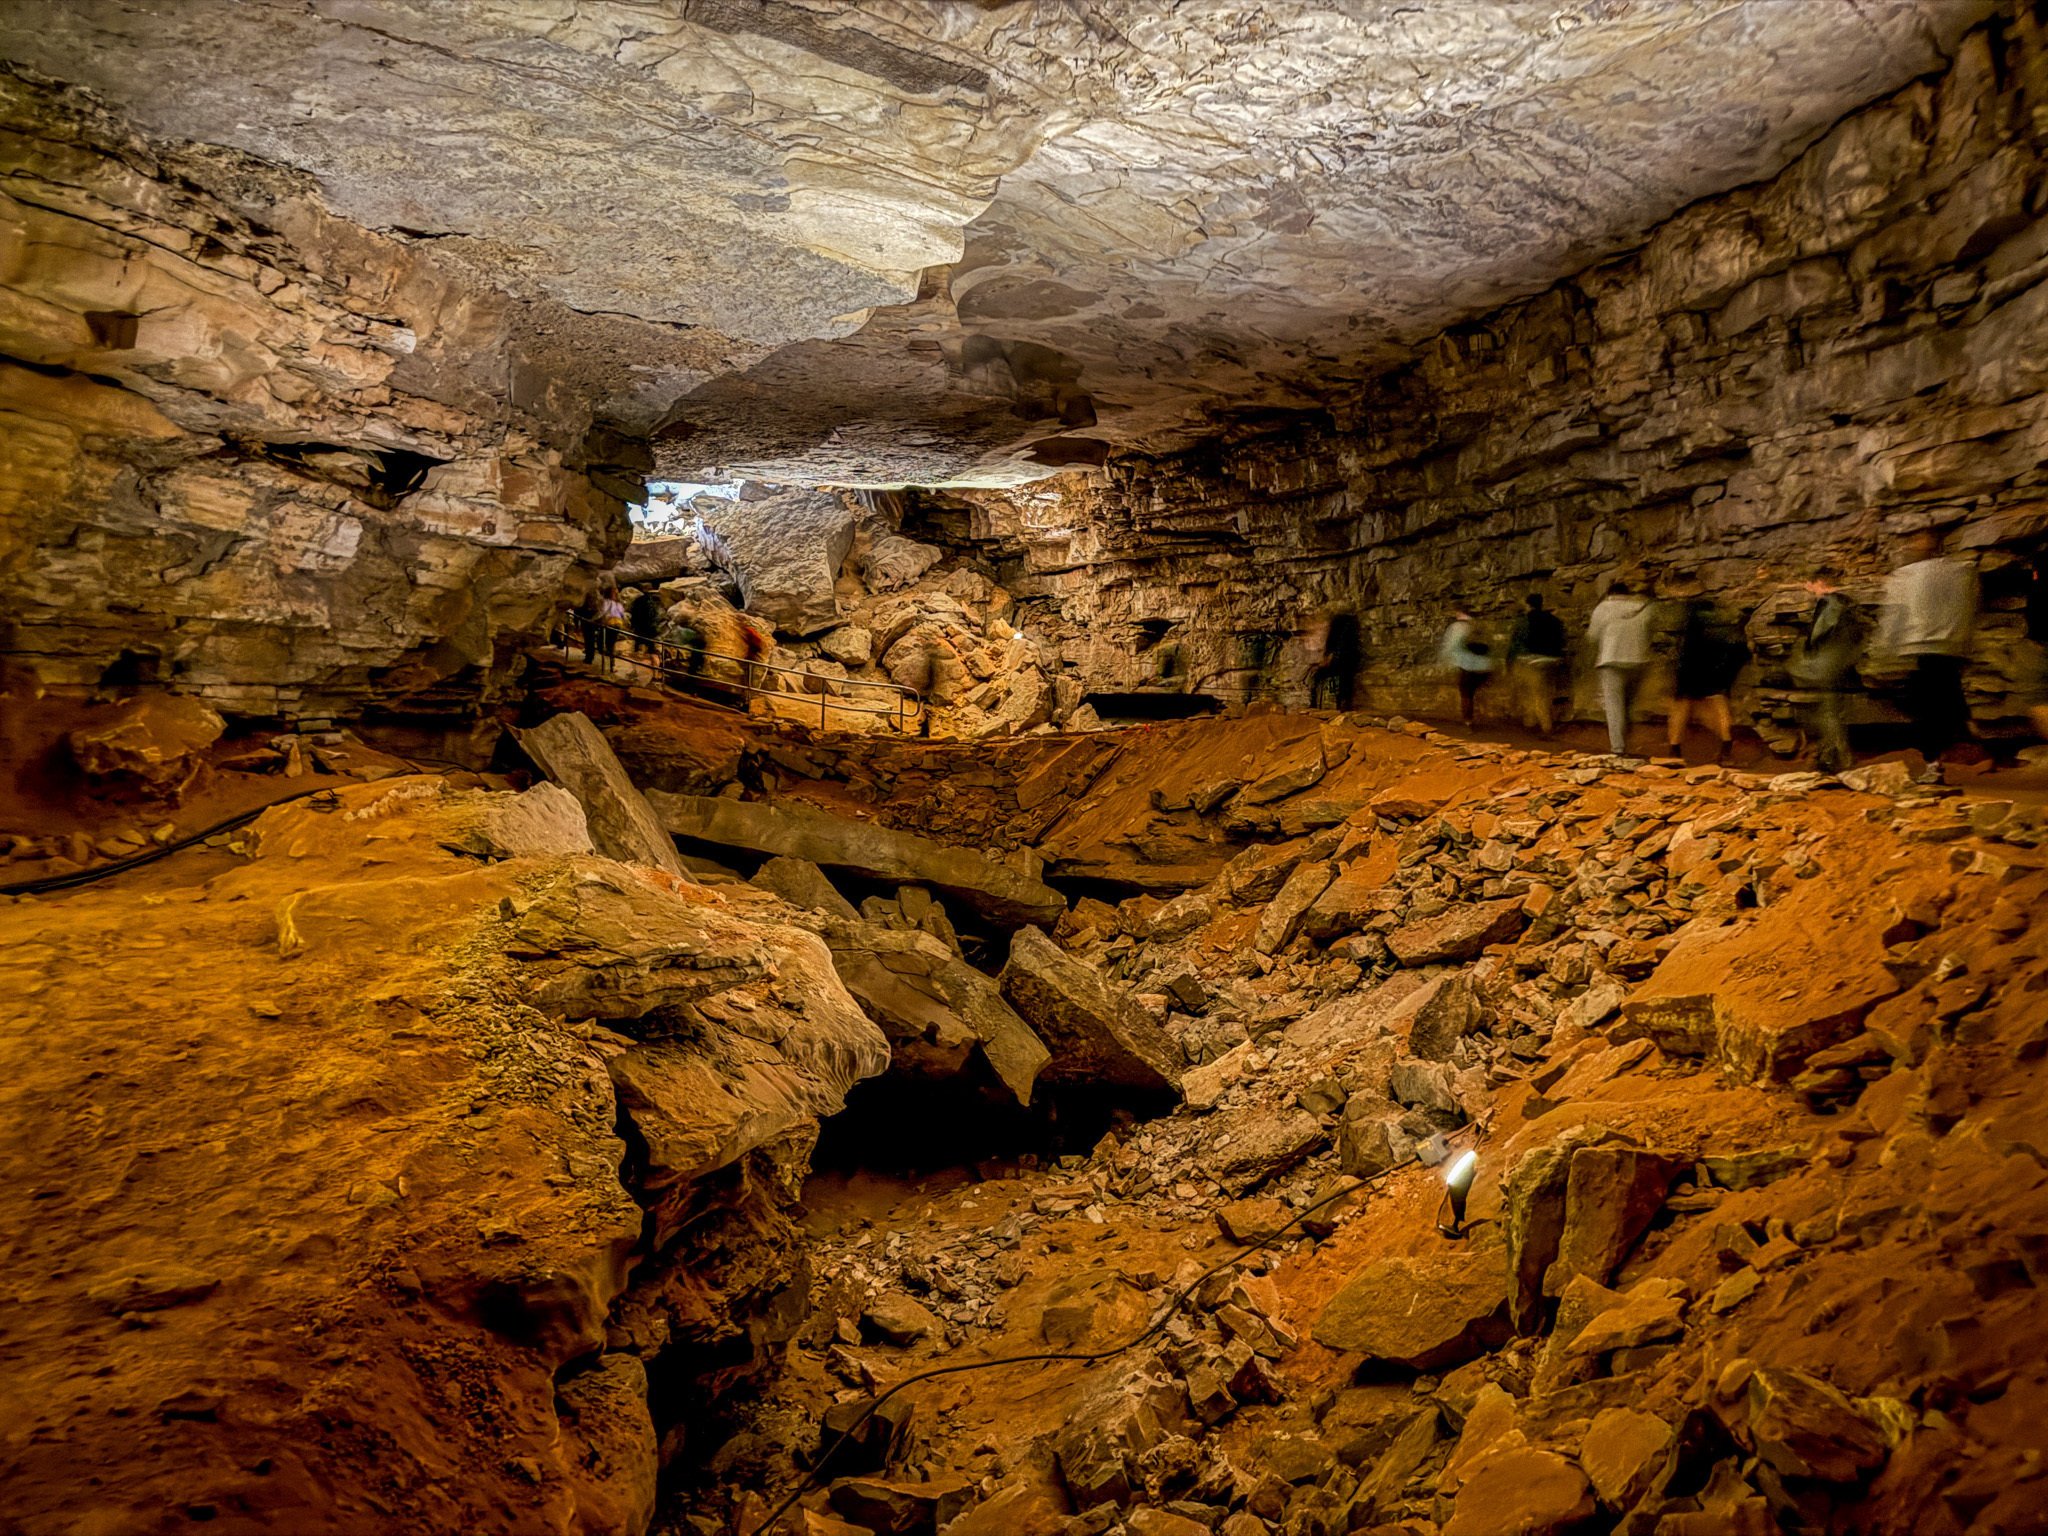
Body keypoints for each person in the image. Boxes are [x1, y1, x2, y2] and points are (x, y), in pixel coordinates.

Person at [1878, 528, 1977, 782]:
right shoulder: (1961, 571)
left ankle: (1933, 763)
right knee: (1947, 699)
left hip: (1920, 647)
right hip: (1951, 648)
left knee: (1923, 708)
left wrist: (1885, 648)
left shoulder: (1907, 576)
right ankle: (1960, 732)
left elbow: (1895, 614)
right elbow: (1969, 607)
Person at [1667, 578, 1750, 764]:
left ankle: (1674, 750)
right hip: (1716, 671)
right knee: (1720, 707)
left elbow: (1686, 650)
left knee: (1681, 709)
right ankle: (1727, 749)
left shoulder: (1691, 620)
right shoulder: (1722, 623)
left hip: (1690, 670)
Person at [1790, 565, 1863, 774]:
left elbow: (1819, 634)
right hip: (1842, 664)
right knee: (1833, 711)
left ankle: (1837, 758)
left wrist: (1809, 656)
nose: (1807, 589)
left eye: (1809, 584)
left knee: (1828, 712)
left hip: (1827, 665)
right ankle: (1834, 755)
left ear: (1820, 582)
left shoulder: (1830, 604)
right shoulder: (1848, 604)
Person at [1587, 580, 1654, 758]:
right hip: (1638, 661)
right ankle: (1627, 737)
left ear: (1610, 593)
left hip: (1611, 660)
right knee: (1628, 705)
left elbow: (1592, 636)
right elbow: (1649, 632)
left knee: (1614, 706)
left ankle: (1618, 748)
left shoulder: (1603, 608)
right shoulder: (1644, 607)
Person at [1506, 591, 1566, 735]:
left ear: (1528, 605)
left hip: (1531, 661)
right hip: (1552, 661)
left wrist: (1509, 661)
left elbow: (1516, 643)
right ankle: (1532, 722)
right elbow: (1561, 641)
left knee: (1534, 694)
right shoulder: (1555, 621)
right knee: (1543, 692)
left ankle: (1545, 727)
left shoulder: (1524, 621)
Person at [1439, 605, 1494, 726]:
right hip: (1484, 666)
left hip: (1467, 665)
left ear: (1459, 613)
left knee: (1466, 694)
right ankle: (1484, 715)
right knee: (1478, 691)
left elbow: (1451, 646)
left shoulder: (1457, 627)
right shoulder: (1480, 626)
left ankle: (1468, 721)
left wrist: (1446, 662)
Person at [627, 587, 664, 653]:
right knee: (650, 641)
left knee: (638, 639)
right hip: (648, 625)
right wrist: (655, 624)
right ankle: (650, 652)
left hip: (639, 625)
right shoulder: (651, 602)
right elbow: (653, 614)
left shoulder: (637, 600)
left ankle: (636, 651)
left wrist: (633, 624)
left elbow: (633, 612)